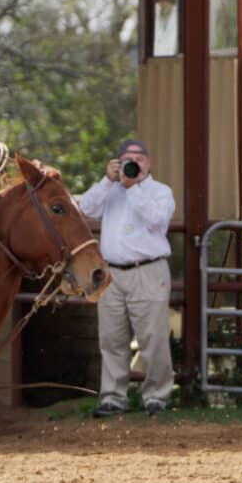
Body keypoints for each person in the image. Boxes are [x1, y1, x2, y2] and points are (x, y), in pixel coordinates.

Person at [76, 138, 177, 416]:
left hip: (148, 271)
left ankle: (157, 397)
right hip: (112, 274)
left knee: (153, 338)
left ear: (149, 162)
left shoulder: (160, 191)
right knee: (111, 338)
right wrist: (107, 181)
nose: (134, 163)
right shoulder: (110, 190)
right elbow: (86, 210)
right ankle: (113, 398)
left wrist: (132, 188)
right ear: (117, 163)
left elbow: (157, 220)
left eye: (139, 158)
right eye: (128, 159)